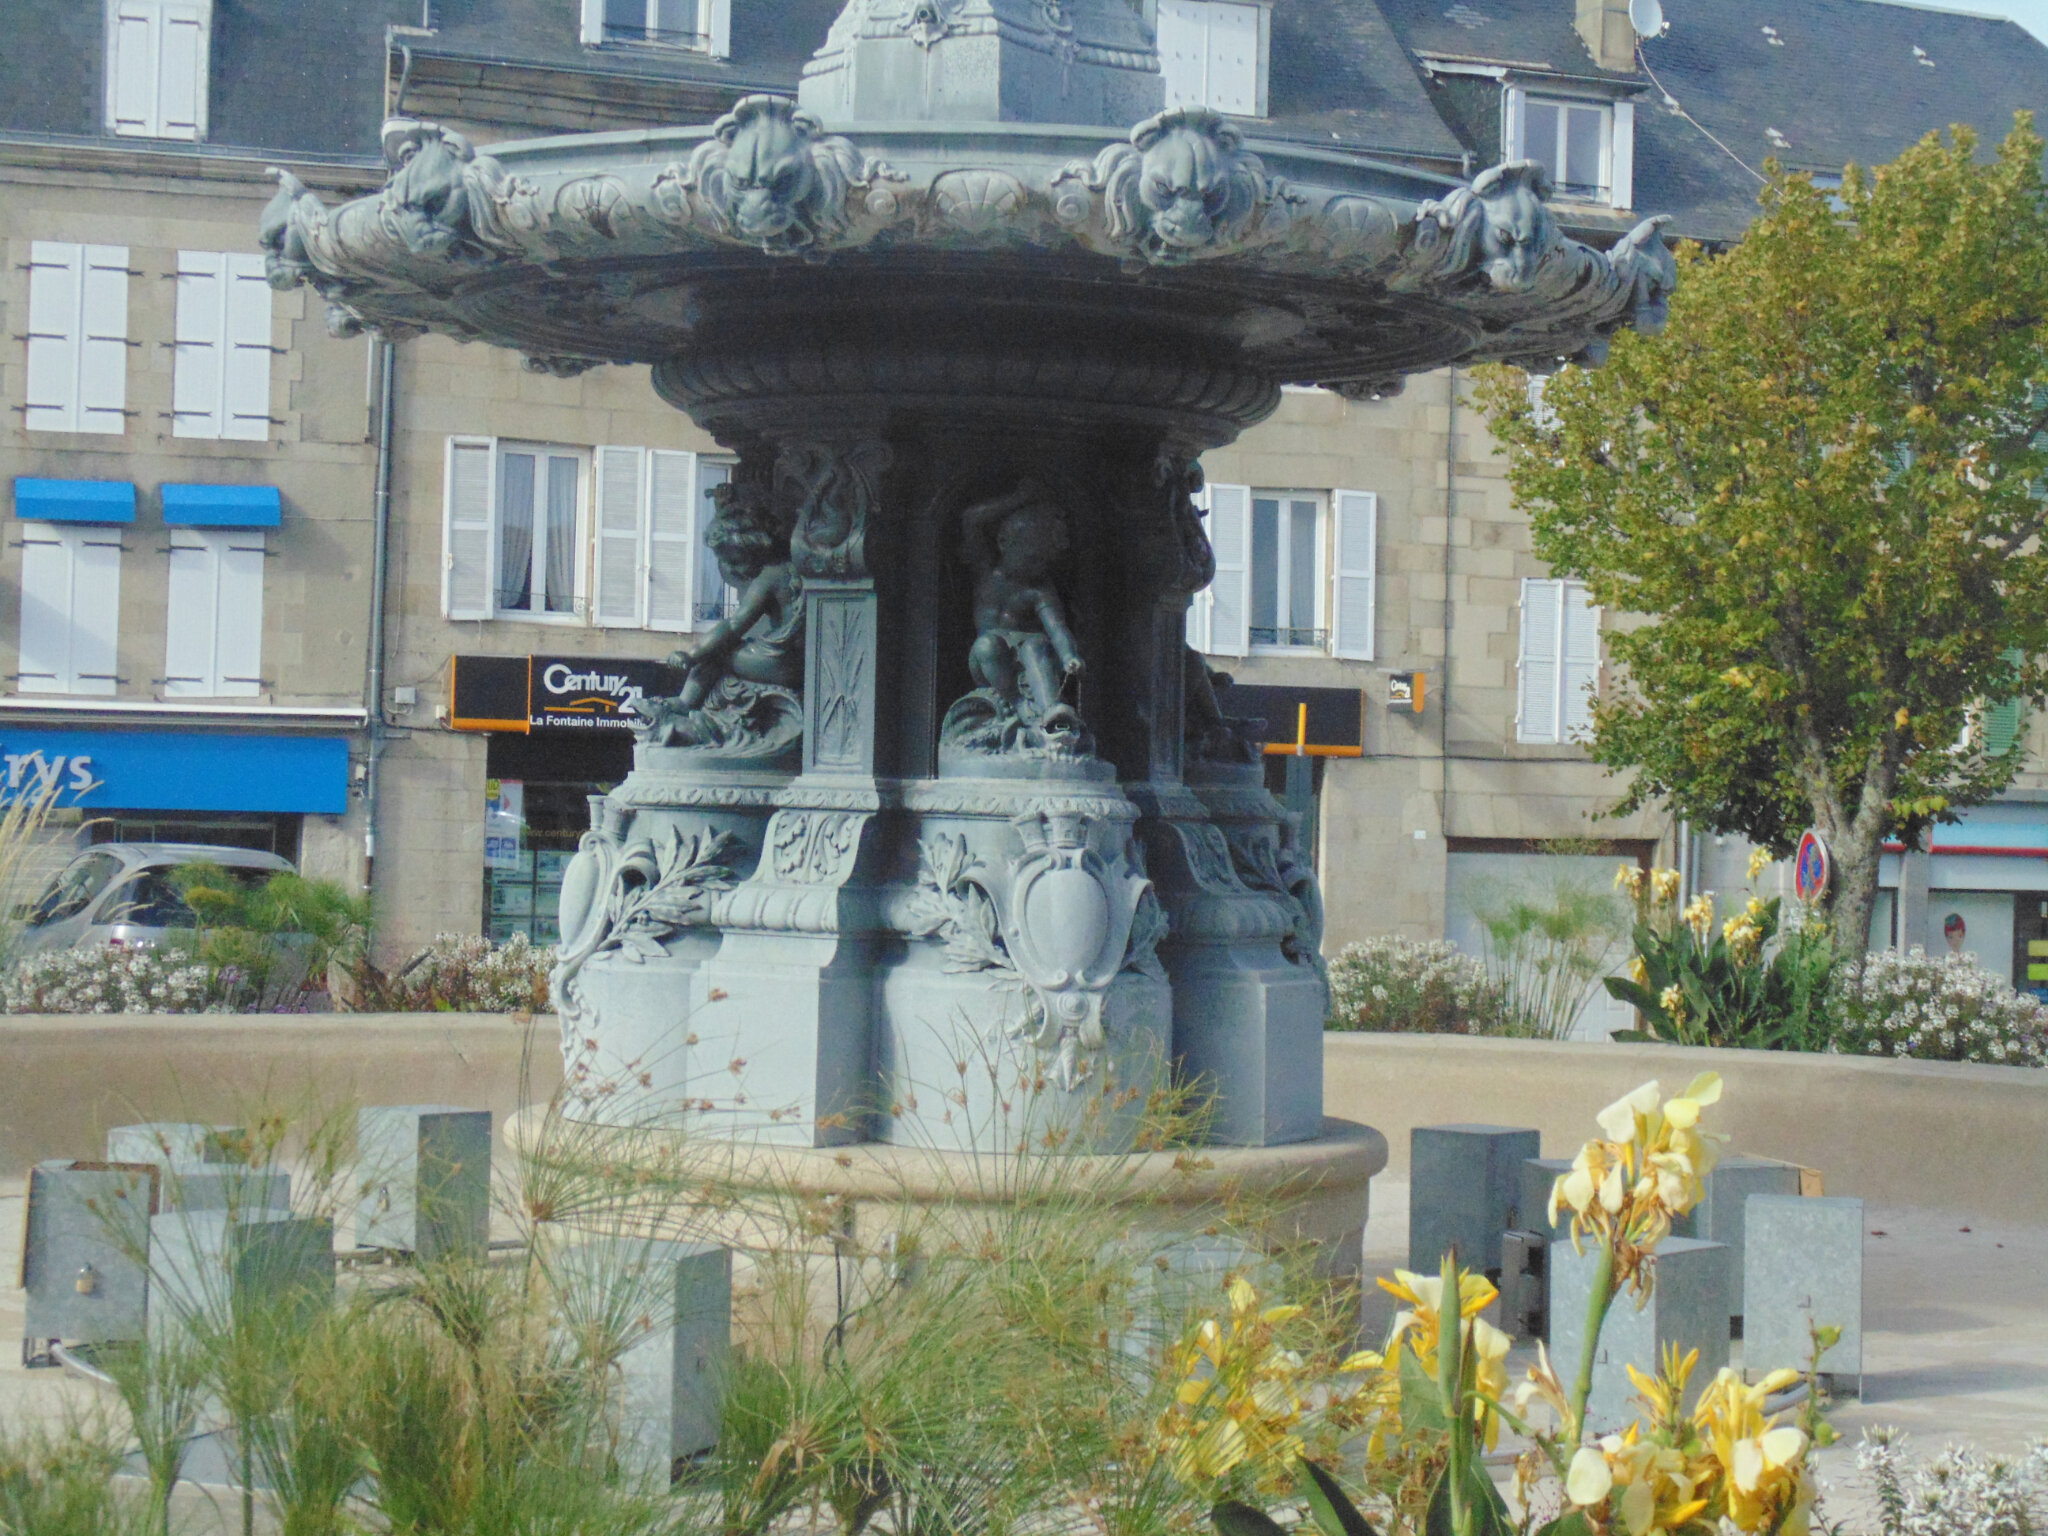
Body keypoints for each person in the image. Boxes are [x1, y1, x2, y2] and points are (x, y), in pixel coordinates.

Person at [666, 486, 803, 708]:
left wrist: (693, 654)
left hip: (783, 663)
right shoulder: (786, 569)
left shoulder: (767, 578)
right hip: (794, 658)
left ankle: (684, 704)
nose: (733, 569)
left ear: (755, 549)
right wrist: (722, 510)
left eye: (736, 561)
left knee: (717, 652)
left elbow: (734, 625)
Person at [961, 484, 1085, 727]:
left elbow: (1057, 630)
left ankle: (1051, 709)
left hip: (1025, 660)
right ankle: (1019, 705)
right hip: (988, 659)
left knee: (1038, 643)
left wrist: (1070, 655)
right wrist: (1019, 498)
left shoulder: (1039, 589)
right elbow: (971, 519)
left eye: (1044, 560)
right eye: (1032, 557)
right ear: (1004, 542)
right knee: (988, 646)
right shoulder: (984, 569)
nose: (1038, 567)